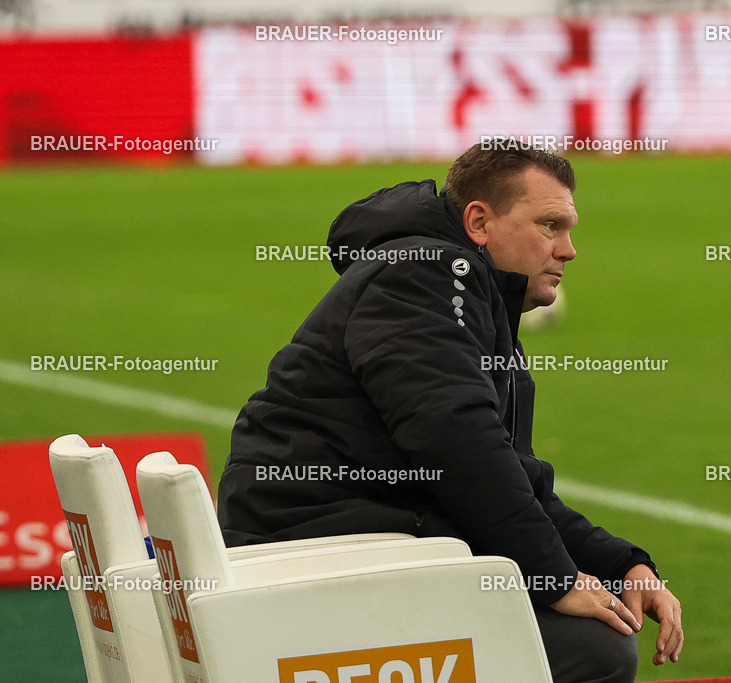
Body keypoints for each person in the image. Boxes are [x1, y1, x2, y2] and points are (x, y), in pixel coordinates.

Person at [217, 141, 683, 681]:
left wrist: (621, 563)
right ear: (480, 222)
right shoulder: (426, 276)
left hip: (355, 540)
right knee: (593, 649)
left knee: (594, 635)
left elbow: (509, 475)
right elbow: (457, 442)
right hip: (316, 554)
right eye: (550, 226)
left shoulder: (457, 287)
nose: (569, 249)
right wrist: (554, 579)